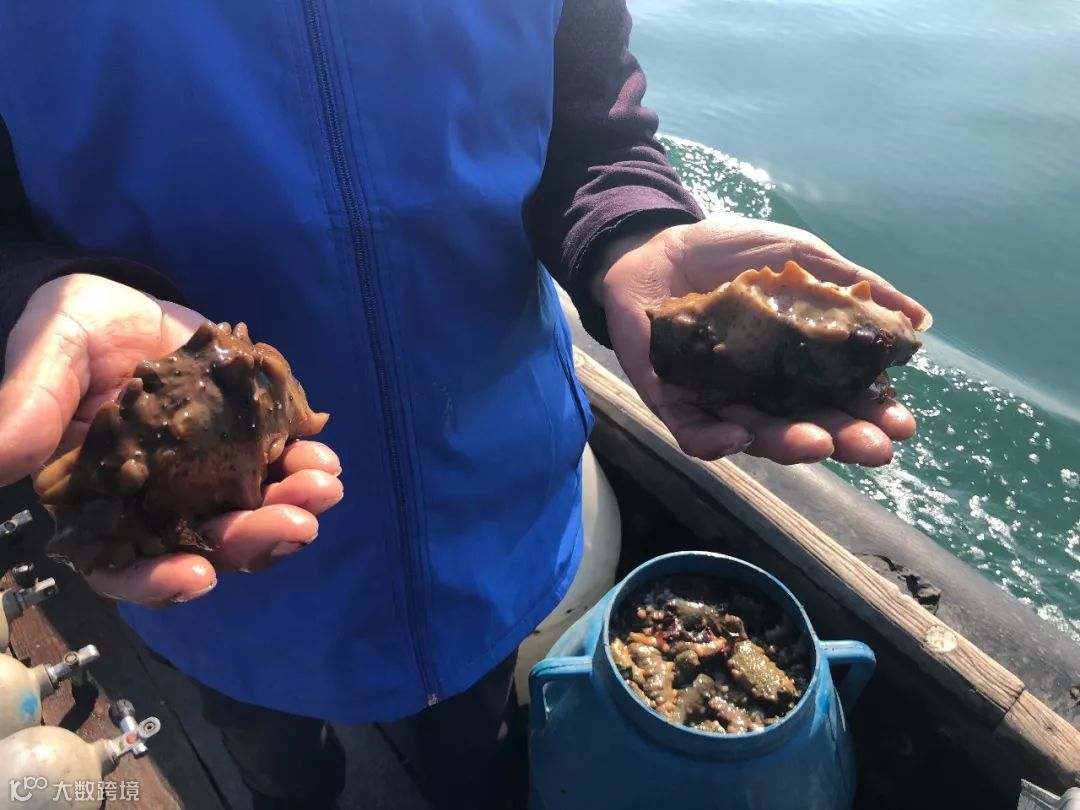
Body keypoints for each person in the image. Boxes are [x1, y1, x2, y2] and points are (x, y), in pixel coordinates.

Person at [0, 2, 929, 808]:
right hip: (219, 565)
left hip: (490, 502)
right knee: (269, 746)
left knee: (477, 738)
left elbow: (591, 135)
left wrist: (632, 233)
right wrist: (28, 293)